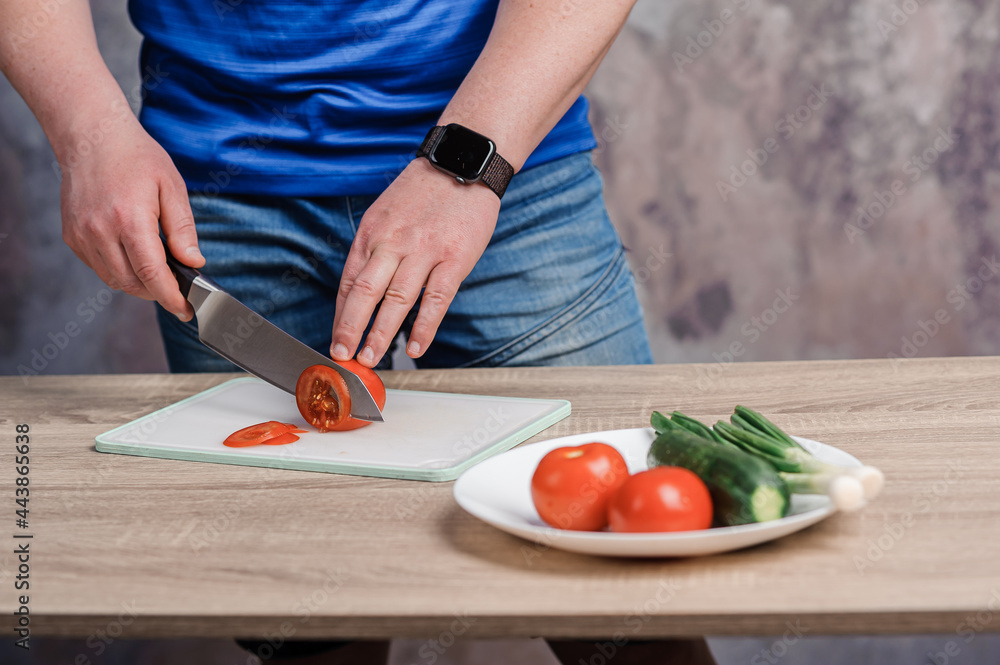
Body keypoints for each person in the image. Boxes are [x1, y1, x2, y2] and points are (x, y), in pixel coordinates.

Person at [0, 0, 716, 663]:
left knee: (630, 602)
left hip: (505, 178)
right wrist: (88, 132)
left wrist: (462, 164)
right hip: (215, 203)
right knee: (308, 630)